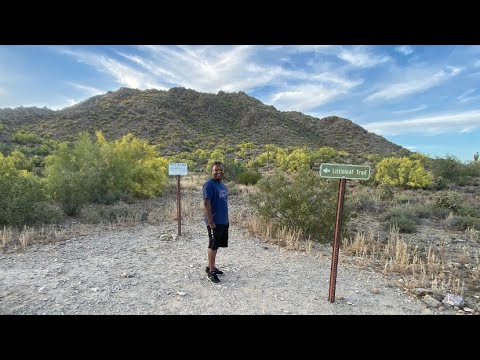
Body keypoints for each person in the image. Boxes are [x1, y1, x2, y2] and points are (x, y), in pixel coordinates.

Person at [203, 161, 229, 283]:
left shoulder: (223, 186)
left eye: (220, 170)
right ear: (211, 172)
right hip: (214, 221)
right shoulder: (209, 185)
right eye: (216, 170)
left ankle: (211, 266)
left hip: (223, 220)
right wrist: (210, 221)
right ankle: (211, 271)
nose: (219, 172)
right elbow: (206, 203)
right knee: (212, 245)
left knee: (216, 245)